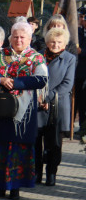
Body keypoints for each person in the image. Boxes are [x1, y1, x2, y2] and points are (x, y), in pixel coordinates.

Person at [0, 20, 47, 200]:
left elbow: (41, 80)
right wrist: (1, 79)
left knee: (17, 148)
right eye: (15, 36)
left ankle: (15, 188)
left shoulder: (36, 57)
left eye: (22, 37)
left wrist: (16, 83)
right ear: (10, 37)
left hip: (23, 112)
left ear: (30, 38)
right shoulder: (0, 55)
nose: (18, 40)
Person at [35, 26, 75, 186]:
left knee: (54, 143)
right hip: (38, 104)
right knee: (36, 141)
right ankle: (36, 173)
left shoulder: (69, 59)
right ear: (47, 42)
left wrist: (47, 97)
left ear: (64, 43)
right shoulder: (38, 56)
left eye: (59, 42)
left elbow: (67, 84)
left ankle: (51, 173)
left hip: (58, 105)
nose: (55, 44)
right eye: (52, 41)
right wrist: (40, 98)